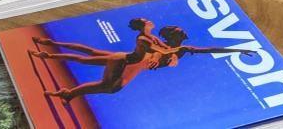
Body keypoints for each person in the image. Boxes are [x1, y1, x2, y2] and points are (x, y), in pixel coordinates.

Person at [33, 18, 224, 104]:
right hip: (127, 63)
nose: (181, 33)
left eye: (180, 33)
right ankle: (51, 56)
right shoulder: (155, 41)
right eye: (177, 32)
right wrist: (171, 52)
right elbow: (155, 52)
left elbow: (205, 50)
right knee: (103, 80)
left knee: (90, 55)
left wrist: (238, 49)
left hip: (128, 62)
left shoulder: (163, 43)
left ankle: (51, 48)